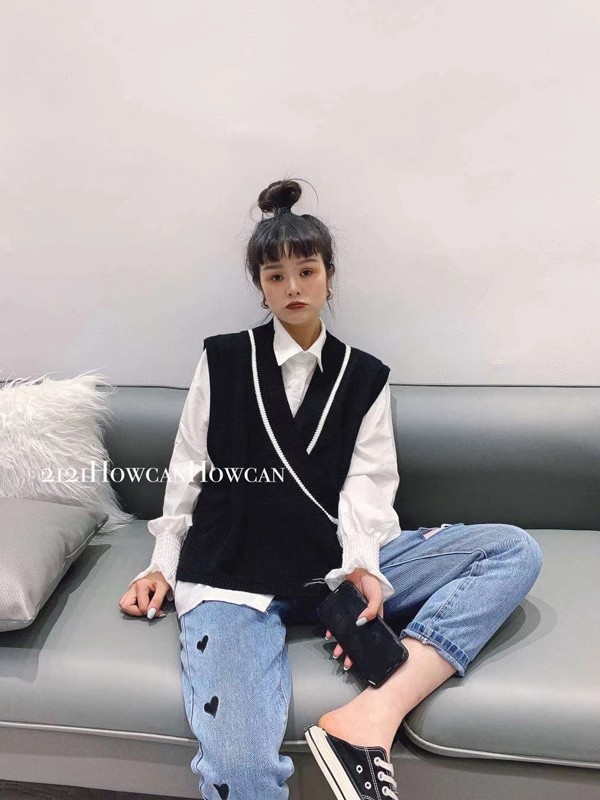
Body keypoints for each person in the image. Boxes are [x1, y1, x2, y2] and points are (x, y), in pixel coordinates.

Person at [119, 177, 543, 800]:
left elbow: (368, 483)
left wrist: (363, 566)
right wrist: (162, 562)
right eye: (276, 276)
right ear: (261, 286)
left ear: (329, 277)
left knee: (510, 550)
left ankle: (374, 713)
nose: (292, 287)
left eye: (307, 271)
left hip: (329, 566)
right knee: (240, 771)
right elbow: (189, 467)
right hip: (231, 573)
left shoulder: (364, 376)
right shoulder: (224, 360)